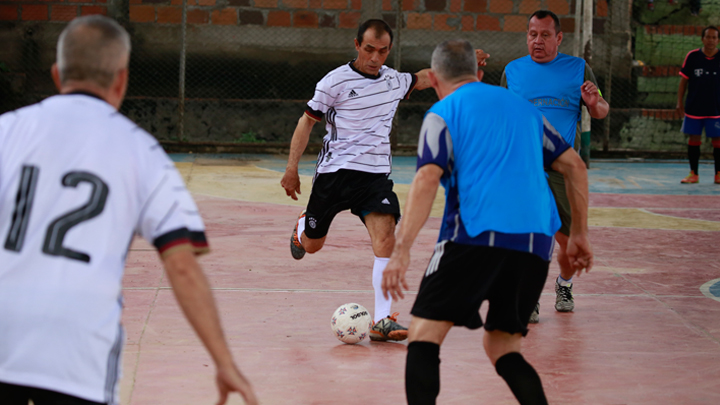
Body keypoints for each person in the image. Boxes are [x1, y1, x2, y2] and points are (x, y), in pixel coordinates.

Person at [0, 16, 257, 405]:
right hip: (78, 349)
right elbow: (182, 265)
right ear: (121, 79)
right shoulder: (142, 153)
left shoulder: (7, 130)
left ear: (56, 74)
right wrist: (223, 361)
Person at [381, 39, 593, 405]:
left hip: (474, 235)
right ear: (479, 73)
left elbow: (427, 179)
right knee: (502, 347)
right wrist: (579, 235)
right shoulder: (526, 111)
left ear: (432, 79)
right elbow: (574, 165)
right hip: (535, 245)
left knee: (423, 335)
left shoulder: (443, 112)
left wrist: (401, 250)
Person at [280, 19, 487, 342]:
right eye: (369, 50)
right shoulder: (333, 82)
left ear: (389, 50)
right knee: (312, 245)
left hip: (375, 177)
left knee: (385, 239)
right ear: (357, 45)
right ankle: (303, 226)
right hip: (335, 175)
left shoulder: (393, 80)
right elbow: (306, 122)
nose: (376, 58)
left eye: (383, 51)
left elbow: (423, 78)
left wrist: (462, 65)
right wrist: (292, 168)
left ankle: (382, 320)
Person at [500, 9, 608, 322]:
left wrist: (593, 102)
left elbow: (601, 110)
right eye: (533, 34)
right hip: (525, 169)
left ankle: (564, 285)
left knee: (567, 238)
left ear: (558, 38)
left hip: (563, 168)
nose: (538, 41)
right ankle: (529, 293)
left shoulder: (578, 69)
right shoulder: (512, 70)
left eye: (545, 35)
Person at [676, 25, 720, 185]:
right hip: (694, 106)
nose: (711, 40)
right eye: (708, 37)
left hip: (716, 108)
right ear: (702, 39)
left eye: (714, 37)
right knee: (694, 138)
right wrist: (679, 102)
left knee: (718, 140)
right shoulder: (693, 56)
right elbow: (683, 81)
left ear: (718, 40)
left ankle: (718, 174)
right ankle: (693, 173)